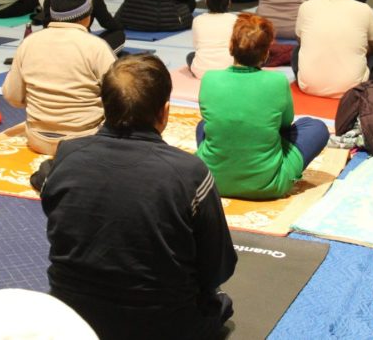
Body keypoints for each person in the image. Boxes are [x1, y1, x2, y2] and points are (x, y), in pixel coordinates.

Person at [34, 54, 237, 339]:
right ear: (164, 112)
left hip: (72, 319)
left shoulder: (67, 157)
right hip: (161, 326)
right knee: (219, 304)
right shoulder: (189, 173)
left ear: (104, 106)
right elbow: (219, 267)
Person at [198, 13, 330, 200]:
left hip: (210, 180)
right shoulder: (277, 81)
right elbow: (285, 124)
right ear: (266, 53)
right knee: (315, 127)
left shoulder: (210, 78)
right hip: (268, 184)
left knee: (204, 125)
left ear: (230, 46)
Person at [3, 0, 116, 155]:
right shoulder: (96, 47)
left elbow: (12, 96)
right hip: (85, 139)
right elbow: (119, 99)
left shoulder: (29, 43)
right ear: (87, 17)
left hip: (37, 139)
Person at [187, 0, 236, 78]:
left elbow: (196, 46)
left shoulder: (197, 20)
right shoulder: (234, 19)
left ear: (206, 2)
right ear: (229, 3)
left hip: (201, 71)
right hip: (229, 68)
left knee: (190, 56)